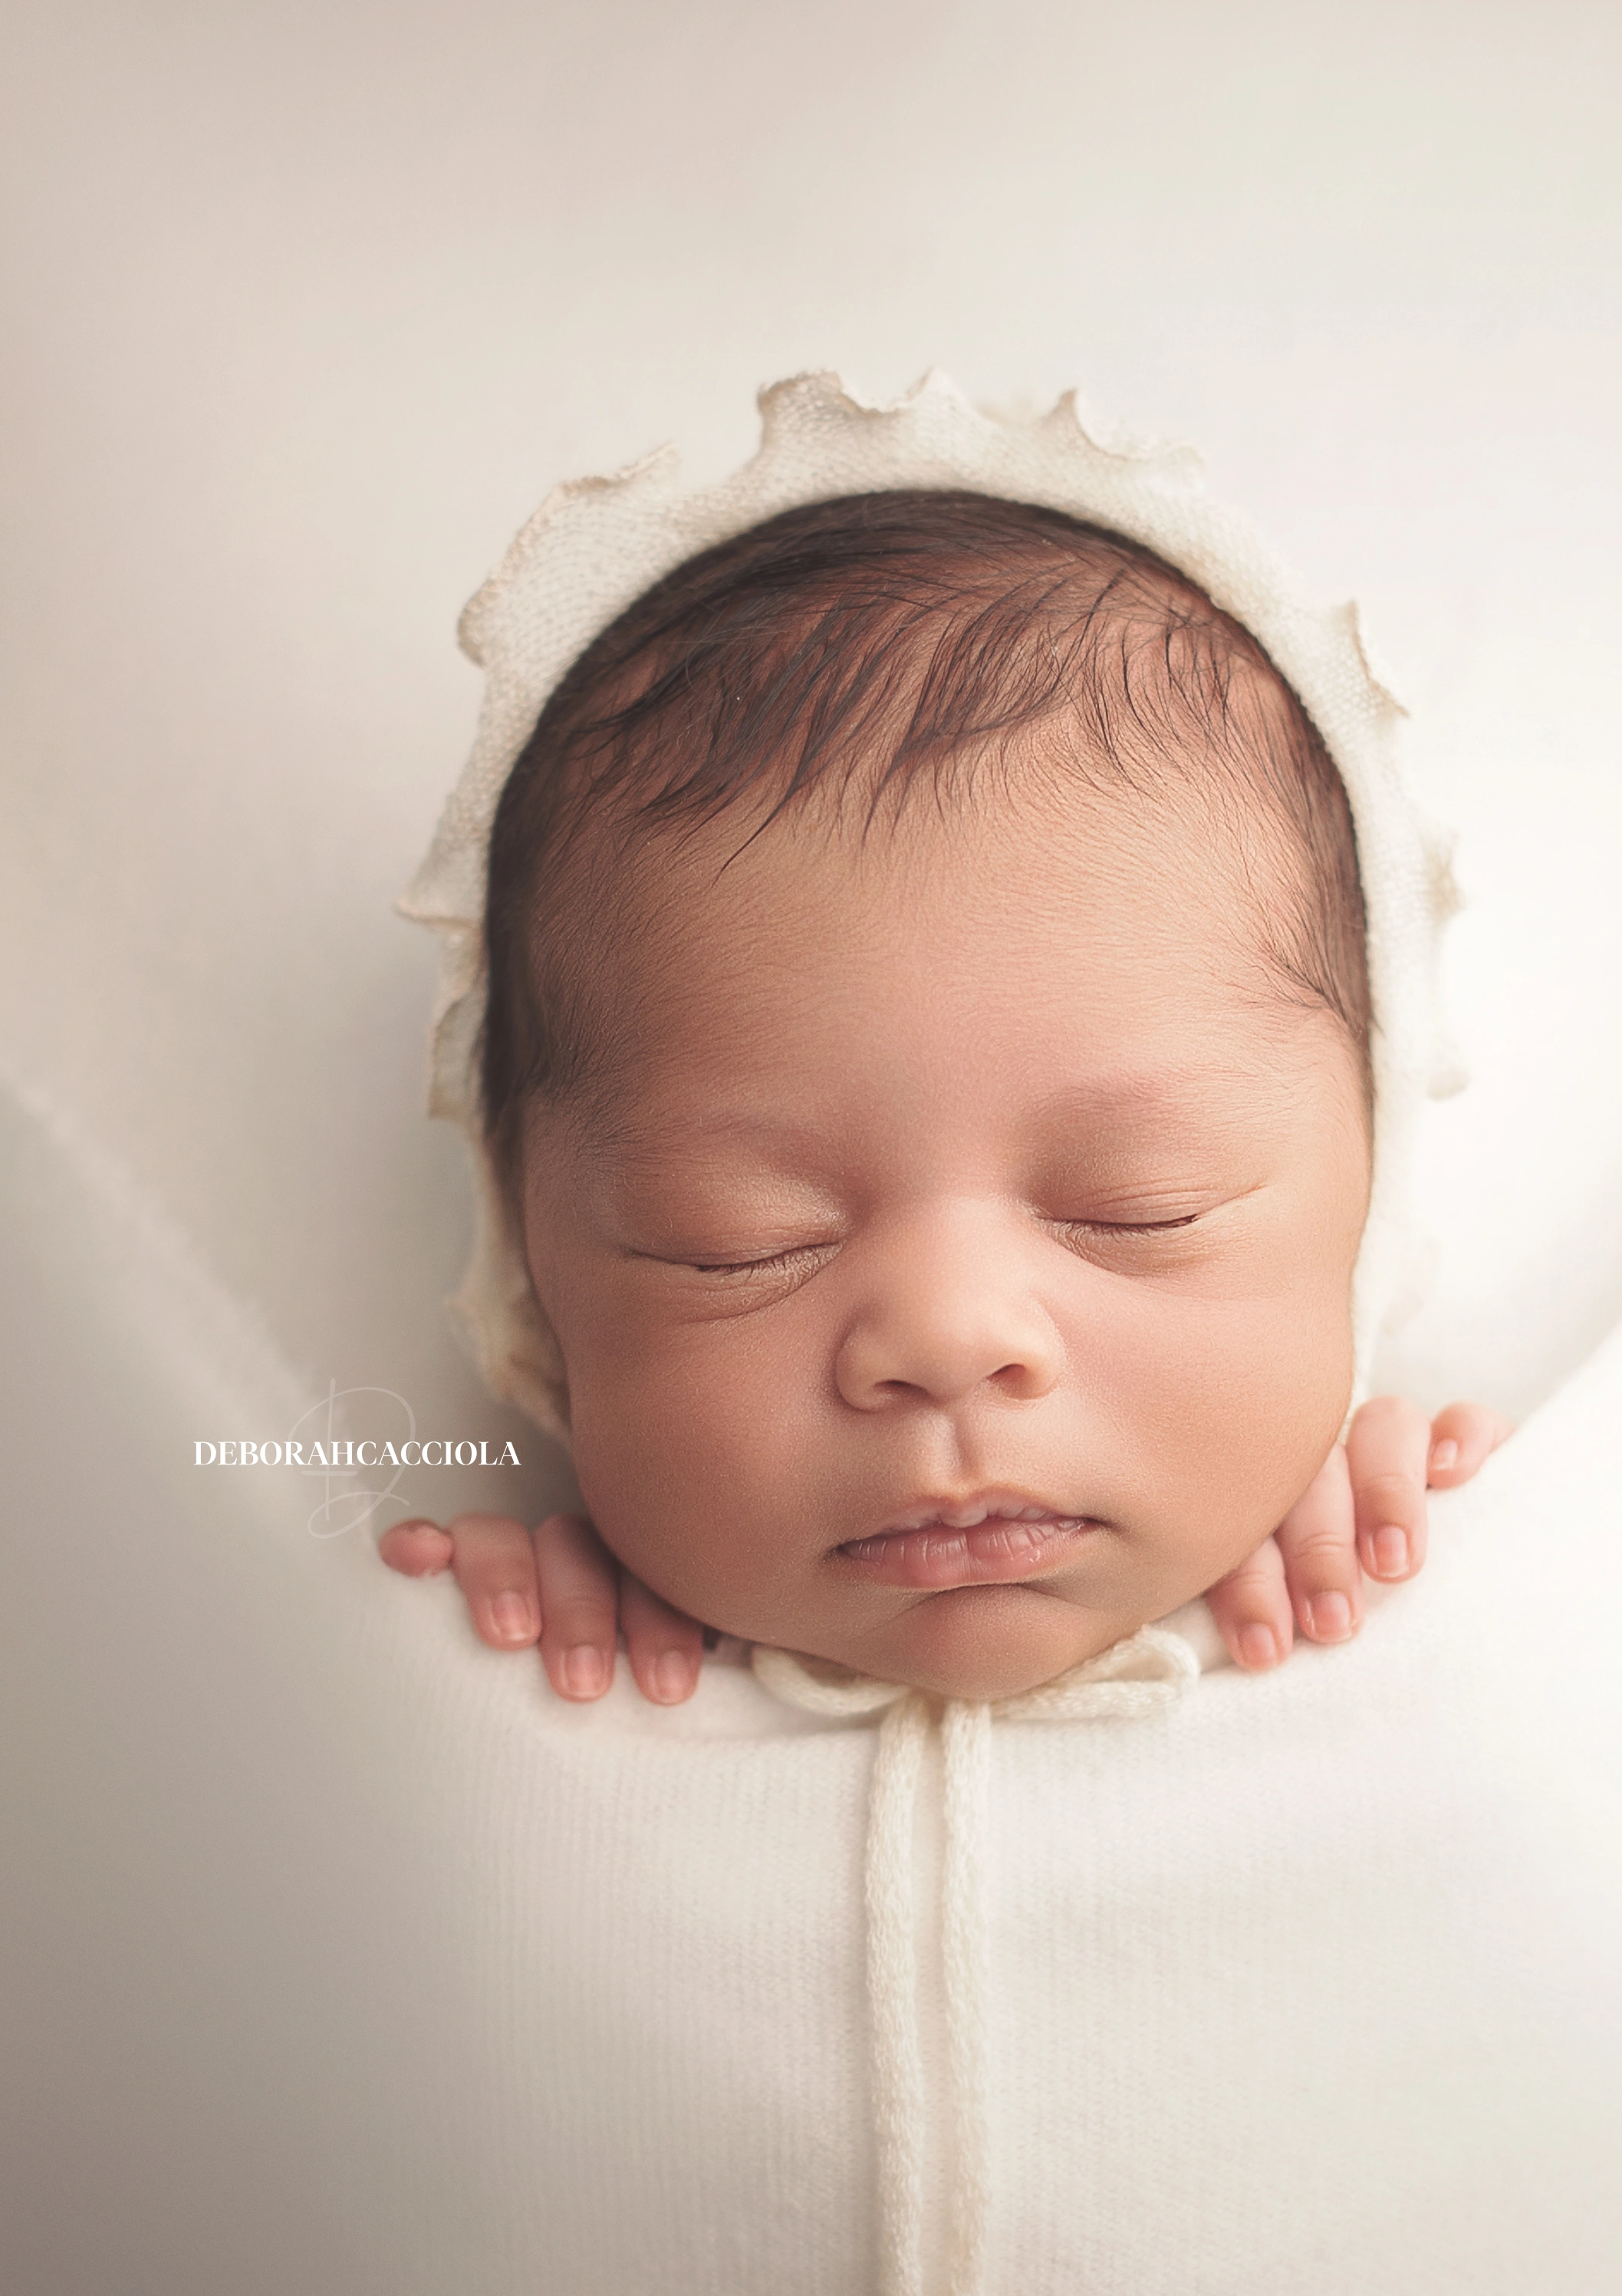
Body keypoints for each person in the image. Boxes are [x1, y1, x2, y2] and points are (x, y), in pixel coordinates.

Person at [377, 485, 1505, 1704]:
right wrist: (451, 1657)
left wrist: (1412, 1527)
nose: (951, 1338)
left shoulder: (1437, 1610)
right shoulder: (507, 1684)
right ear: (534, 1284)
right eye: (737, 1241)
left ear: (1368, 1197)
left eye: (1141, 1208)